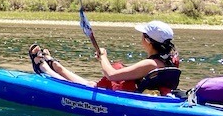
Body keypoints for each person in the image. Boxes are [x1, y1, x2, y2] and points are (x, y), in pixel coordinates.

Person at [28, 20, 180, 94]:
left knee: (91, 86)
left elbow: (111, 75)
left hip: (127, 96)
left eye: (143, 34)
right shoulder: (170, 61)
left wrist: (103, 57)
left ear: (147, 40)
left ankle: (45, 68)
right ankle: (56, 66)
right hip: (136, 94)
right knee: (91, 84)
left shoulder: (151, 64)